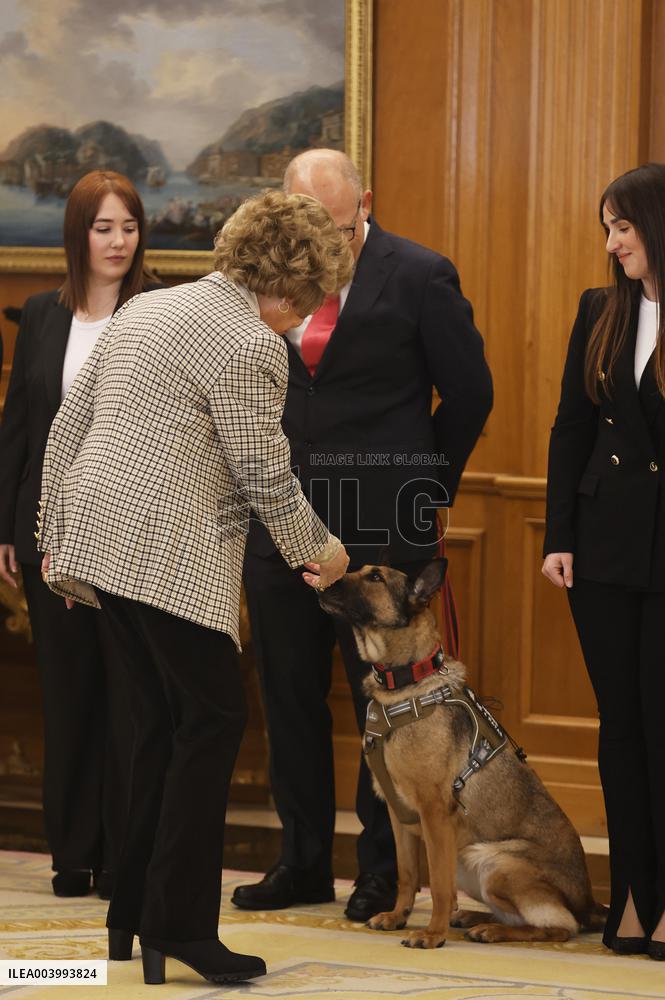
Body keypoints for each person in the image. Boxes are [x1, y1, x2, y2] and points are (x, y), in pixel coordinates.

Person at [36, 188, 353, 985]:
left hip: (100, 543)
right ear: (290, 283)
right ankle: (178, 926)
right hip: (164, 556)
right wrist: (320, 551)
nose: (299, 317)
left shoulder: (145, 310)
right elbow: (262, 472)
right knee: (211, 721)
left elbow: (67, 425)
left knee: (159, 728)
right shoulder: (249, 342)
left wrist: (53, 533)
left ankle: (131, 917)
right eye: (306, 302)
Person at [234, 149, 493, 922]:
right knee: (288, 695)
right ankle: (302, 861)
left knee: (387, 705)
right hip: (280, 519)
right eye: (310, 226)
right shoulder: (260, 277)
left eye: (339, 227)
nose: (325, 245)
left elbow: (471, 392)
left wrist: (424, 483)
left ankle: (382, 873)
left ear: (366, 203)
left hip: (385, 521)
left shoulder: (418, 274)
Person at [0, 170, 157, 899]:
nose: (118, 241)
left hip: (130, 543)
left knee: (130, 701)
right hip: (47, 537)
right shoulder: (39, 314)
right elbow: (19, 429)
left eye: (128, 226)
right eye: (103, 228)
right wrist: (8, 526)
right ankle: (73, 852)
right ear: (78, 235)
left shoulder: (159, 312)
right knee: (68, 699)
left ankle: (124, 855)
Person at [542, 162, 665, 961]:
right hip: (603, 549)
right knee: (621, 729)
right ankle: (631, 899)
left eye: (622, 225)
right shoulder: (600, 309)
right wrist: (557, 537)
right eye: (606, 229)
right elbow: (569, 429)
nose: (612, 242)